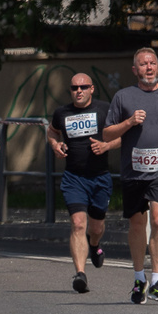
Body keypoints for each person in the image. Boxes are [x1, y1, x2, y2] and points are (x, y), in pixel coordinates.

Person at [104, 47, 158, 304]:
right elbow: (108, 134)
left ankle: (157, 281)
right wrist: (129, 123)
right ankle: (138, 277)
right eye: (143, 64)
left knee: (157, 220)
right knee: (136, 224)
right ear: (135, 70)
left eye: (152, 63)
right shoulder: (123, 97)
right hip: (133, 172)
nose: (149, 67)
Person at [47, 73, 120, 293]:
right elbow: (52, 131)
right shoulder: (62, 113)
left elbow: (125, 134)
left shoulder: (105, 109)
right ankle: (80, 274)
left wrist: (107, 146)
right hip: (74, 178)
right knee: (78, 224)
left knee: (95, 228)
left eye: (83, 87)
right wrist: (55, 145)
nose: (78, 91)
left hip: (99, 177)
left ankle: (95, 245)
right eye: (74, 88)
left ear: (92, 89)